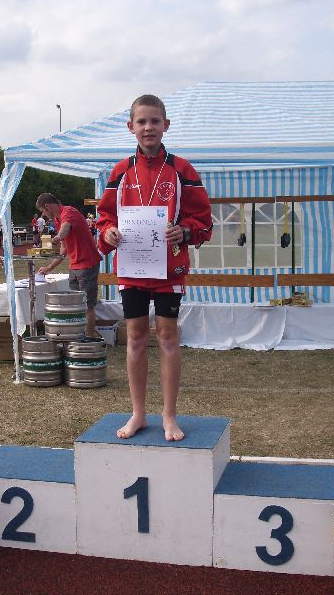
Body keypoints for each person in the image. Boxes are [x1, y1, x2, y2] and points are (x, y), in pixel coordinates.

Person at [96, 94, 212, 442]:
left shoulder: (182, 170)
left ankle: (169, 416)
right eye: (142, 122)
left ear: (166, 125)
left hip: (168, 270)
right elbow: (104, 217)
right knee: (134, 337)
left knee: (167, 336)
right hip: (132, 268)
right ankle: (138, 414)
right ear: (130, 127)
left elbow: (204, 221)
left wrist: (185, 231)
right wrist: (108, 232)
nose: (148, 127)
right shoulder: (120, 171)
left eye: (155, 121)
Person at [36, 192, 102, 338]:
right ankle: (78, 335)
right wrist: (49, 268)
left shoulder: (68, 212)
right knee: (75, 305)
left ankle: (88, 338)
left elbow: (65, 229)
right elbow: (64, 249)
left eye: (42, 211)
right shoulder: (57, 219)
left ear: (47, 206)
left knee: (87, 305)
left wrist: (57, 237)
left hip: (87, 264)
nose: (43, 215)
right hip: (74, 266)